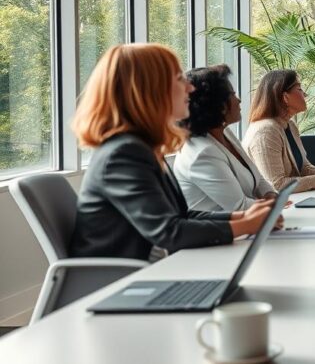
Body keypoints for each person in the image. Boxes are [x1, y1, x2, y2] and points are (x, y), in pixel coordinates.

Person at [70, 44, 277, 261]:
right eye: (179, 79)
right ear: (150, 89)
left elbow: (180, 215)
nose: (189, 88)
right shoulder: (123, 154)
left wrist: (242, 217)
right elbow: (170, 233)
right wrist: (245, 225)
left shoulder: (140, 147)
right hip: (124, 281)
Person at [174, 65, 276, 211]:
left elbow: (258, 179)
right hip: (220, 232)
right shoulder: (202, 153)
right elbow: (239, 207)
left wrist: (270, 194)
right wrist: (274, 205)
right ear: (216, 103)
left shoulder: (226, 133)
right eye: (233, 94)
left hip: (251, 225)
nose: (238, 100)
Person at [243, 69, 315, 193]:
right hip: (273, 207)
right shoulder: (265, 132)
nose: (305, 94)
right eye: (300, 89)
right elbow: (276, 185)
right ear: (285, 97)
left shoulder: (289, 125)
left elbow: (304, 168)